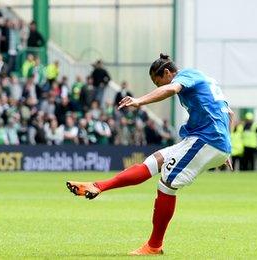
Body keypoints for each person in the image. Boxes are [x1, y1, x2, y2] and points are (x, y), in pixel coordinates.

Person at [66, 54, 233, 255]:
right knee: (154, 162)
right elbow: (228, 113)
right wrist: (226, 150)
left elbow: (171, 88)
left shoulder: (186, 76)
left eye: (157, 81)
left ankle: (154, 246)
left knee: (167, 184)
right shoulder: (205, 80)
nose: (157, 86)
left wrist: (139, 101)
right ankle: (99, 186)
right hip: (207, 139)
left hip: (207, 139)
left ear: (168, 72)